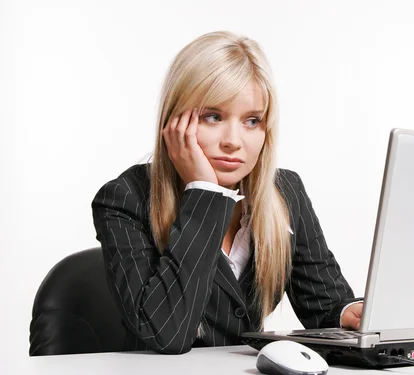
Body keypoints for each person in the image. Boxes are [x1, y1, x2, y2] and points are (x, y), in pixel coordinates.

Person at [91, 31, 362, 354]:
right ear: (174, 121)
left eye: (252, 121)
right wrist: (204, 192)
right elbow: (165, 334)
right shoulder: (125, 199)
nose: (233, 140)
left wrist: (347, 314)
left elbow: (325, 307)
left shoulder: (286, 192)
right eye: (213, 117)